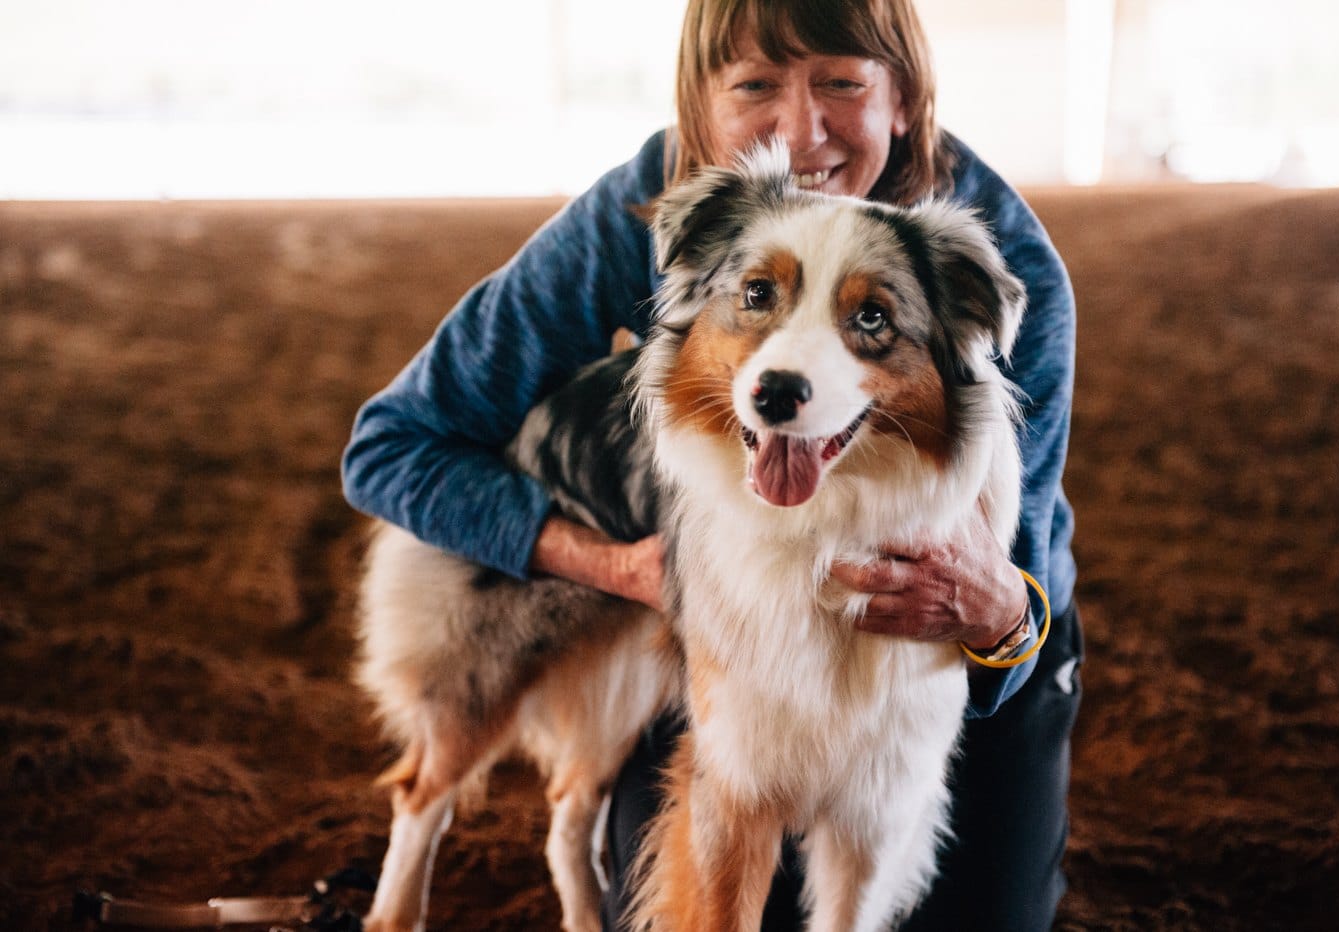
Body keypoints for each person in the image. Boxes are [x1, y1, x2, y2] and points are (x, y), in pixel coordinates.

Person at [342, 0, 1081, 928]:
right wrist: (611, 565)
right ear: (700, 108)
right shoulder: (658, 202)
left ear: (904, 102)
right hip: (718, 591)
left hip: (972, 642)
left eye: (842, 83)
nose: (801, 129)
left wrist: (1001, 614)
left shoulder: (1000, 262)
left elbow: (1022, 586)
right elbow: (390, 447)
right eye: (757, 85)